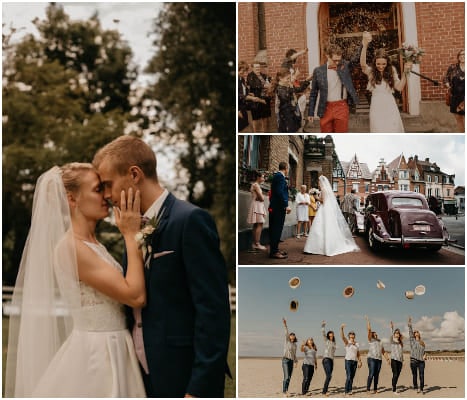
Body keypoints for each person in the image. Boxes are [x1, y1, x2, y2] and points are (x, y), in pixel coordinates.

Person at [93, 135, 231, 397]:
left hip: (183, 376)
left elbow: (213, 312)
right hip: (141, 377)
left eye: (108, 185)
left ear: (134, 174)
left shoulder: (189, 220)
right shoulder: (130, 227)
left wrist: (199, 388)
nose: (107, 195)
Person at [5, 163, 146, 397]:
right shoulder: (71, 247)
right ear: (72, 199)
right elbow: (135, 295)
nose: (106, 196)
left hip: (116, 346)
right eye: (97, 189)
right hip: (98, 355)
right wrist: (131, 236)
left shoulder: (93, 245)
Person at [360, 31, 412, 132]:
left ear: (387, 63)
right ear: (375, 62)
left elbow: (399, 87)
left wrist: (405, 73)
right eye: (378, 64)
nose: (381, 67)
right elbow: (362, 64)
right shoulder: (371, 72)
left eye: (383, 64)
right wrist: (364, 46)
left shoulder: (391, 70)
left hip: (390, 105)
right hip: (376, 105)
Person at [307, 44, 359, 133]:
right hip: (325, 107)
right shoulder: (318, 71)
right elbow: (313, 93)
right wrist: (310, 112)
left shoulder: (345, 66)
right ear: (327, 56)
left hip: (341, 106)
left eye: (339, 60)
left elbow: (356, 59)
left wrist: (364, 44)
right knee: (326, 134)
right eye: (335, 60)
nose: (337, 63)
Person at [304, 175, 359, 256]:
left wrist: (316, 197)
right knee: (325, 226)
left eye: (319, 181)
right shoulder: (326, 190)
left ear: (322, 182)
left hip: (324, 209)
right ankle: (321, 246)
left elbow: (324, 201)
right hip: (329, 209)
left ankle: (316, 247)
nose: (318, 183)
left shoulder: (323, 190)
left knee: (321, 226)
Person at [270, 68, 311, 133]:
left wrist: (307, 80)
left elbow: (299, 89)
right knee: (288, 130)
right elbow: (285, 97)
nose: (289, 80)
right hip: (285, 115)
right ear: (280, 78)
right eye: (287, 78)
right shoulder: (279, 89)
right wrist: (291, 85)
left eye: (289, 78)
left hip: (292, 112)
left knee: (294, 129)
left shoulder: (288, 86)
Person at [269, 162, 291, 259]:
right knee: (276, 229)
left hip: (277, 206)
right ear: (286, 168)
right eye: (288, 168)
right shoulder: (279, 177)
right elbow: (279, 192)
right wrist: (286, 205)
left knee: (276, 228)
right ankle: (274, 252)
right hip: (278, 207)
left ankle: (275, 249)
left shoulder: (278, 176)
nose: (288, 170)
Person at [238, 61, 266, 132]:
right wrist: (252, 98)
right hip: (239, 107)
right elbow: (239, 95)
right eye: (242, 71)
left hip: (244, 106)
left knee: (247, 125)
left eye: (245, 71)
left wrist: (249, 93)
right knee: (243, 128)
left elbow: (244, 90)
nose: (244, 73)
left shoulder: (242, 79)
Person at [365, 316, 390, 394]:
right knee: (371, 373)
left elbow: (383, 351)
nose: (376, 335)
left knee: (376, 375)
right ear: (372, 335)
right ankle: (368, 389)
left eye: (376, 334)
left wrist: (387, 359)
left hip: (379, 359)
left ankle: (375, 389)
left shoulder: (380, 342)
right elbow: (369, 330)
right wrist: (368, 321)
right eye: (374, 334)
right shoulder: (371, 340)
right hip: (371, 358)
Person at [247, 62, 272, 132]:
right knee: (256, 119)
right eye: (256, 67)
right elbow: (253, 85)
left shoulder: (263, 75)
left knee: (266, 118)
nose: (258, 68)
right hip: (256, 100)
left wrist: (269, 82)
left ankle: (265, 132)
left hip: (265, 99)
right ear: (252, 68)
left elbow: (269, 82)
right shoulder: (250, 76)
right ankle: (256, 132)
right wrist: (264, 86)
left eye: (259, 67)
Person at [444, 50, 465, 132]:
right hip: (455, 97)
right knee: (459, 119)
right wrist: (447, 84)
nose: (463, 56)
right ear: (458, 57)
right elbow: (446, 78)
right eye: (461, 54)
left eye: (465, 54)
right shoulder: (453, 67)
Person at [247, 170, 267, 250]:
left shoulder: (255, 185)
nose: (264, 178)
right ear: (258, 177)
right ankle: (257, 244)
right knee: (259, 224)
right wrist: (261, 196)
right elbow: (261, 198)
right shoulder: (256, 185)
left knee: (256, 225)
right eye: (263, 177)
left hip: (257, 204)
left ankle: (254, 243)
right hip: (257, 205)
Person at [340, 323, 362, 396]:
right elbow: (343, 337)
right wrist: (342, 329)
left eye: (353, 334)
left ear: (354, 336)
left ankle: (350, 389)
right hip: (348, 361)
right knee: (349, 376)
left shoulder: (357, 343)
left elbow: (358, 353)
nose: (352, 335)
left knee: (352, 377)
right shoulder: (347, 342)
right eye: (351, 334)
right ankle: (346, 390)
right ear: (349, 336)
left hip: (354, 361)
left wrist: (360, 361)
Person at [408, 316, 427, 394]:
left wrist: (425, 355)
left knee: (422, 375)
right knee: (415, 375)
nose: (416, 333)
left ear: (419, 334)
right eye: (415, 332)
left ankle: (422, 389)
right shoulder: (412, 341)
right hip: (413, 361)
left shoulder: (422, 342)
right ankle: (416, 387)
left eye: (417, 332)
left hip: (421, 361)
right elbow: (410, 332)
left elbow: (424, 352)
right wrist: (409, 324)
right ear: (414, 334)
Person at [282, 318, 298, 396]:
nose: (292, 336)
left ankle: (286, 390)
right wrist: (285, 325)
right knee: (287, 376)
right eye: (291, 335)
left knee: (289, 377)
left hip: (291, 361)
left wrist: (296, 362)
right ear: (289, 336)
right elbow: (286, 333)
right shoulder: (286, 341)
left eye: (293, 335)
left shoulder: (295, 345)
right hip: (285, 360)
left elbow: (294, 354)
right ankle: (284, 391)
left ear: (294, 337)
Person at [321, 321, 337, 396]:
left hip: (331, 360)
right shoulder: (326, 341)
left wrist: (333, 361)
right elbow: (323, 333)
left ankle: (325, 390)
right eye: (330, 336)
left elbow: (333, 353)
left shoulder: (334, 343)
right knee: (329, 375)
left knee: (329, 376)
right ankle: (324, 391)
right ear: (328, 336)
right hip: (326, 359)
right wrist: (323, 325)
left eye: (332, 335)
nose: (331, 336)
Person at [390, 321, 404, 394]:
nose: (397, 334)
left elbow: (401, 352)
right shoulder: (393, 340)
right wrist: (392, 327)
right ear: (394, 334)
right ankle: (394, 389)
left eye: (398, 333)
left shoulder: (400, 343)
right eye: (396, 333)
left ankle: (393, 385)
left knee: (397, 374)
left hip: (400, 360)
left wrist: (402, 360)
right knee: (395, 374)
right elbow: (391, 333)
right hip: (394, 360)